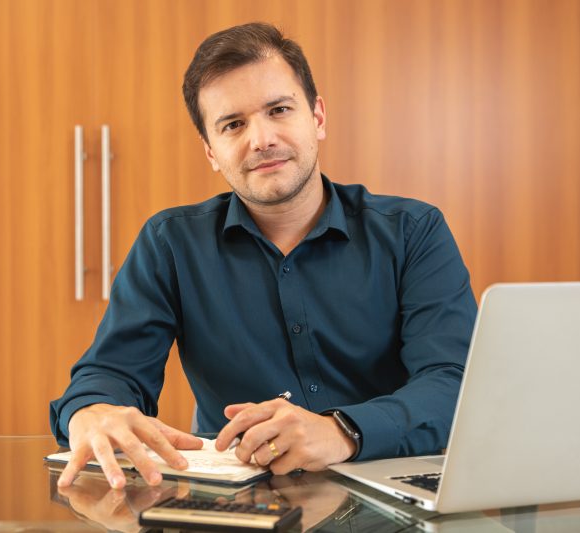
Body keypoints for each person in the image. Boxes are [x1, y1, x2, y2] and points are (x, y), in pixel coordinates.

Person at [51, 22, 477, 491]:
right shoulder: (170, 242)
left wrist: (343, 431)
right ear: (211, 151)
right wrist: (91, 411)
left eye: (279, 110)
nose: (261, 139)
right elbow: (110, 372)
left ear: (317, 117)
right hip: (238, 505)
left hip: (393, 494)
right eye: (233, 124)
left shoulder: (413, 231)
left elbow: (453, 382)